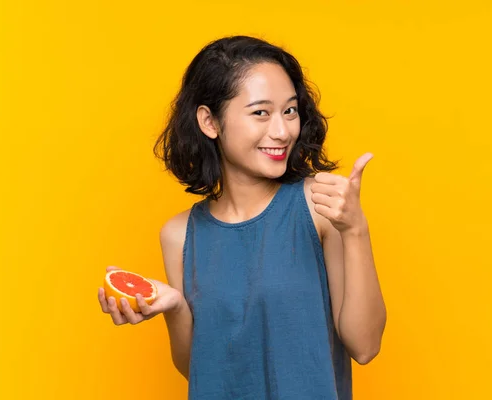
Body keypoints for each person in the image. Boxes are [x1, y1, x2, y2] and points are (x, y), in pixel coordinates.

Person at [98, 35, 387, 399]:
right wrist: (174, 307)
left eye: (290, 110)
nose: (283, 131)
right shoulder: (179, 234)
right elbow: (200, 370)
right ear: (209, 121)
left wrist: (356, 229)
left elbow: (365, 346)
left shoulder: (319, 207)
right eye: (260, 112)